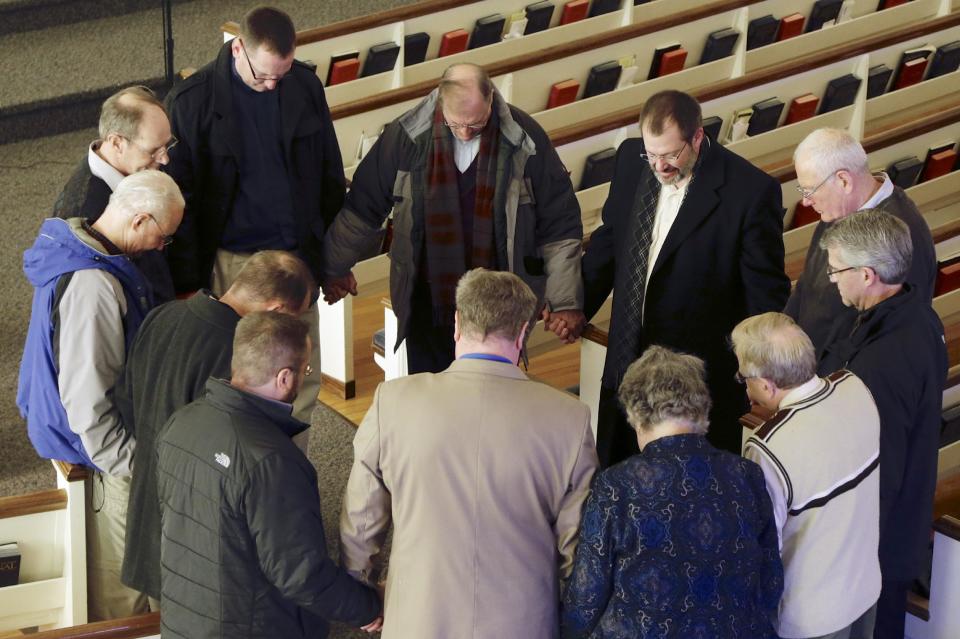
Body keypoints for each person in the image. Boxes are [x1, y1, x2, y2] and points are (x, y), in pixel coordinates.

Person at [340, 269, 597, 638]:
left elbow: (361, 519)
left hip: (418, 616)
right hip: (523, 622)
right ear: (524, 332)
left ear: (457, 323)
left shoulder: (391, 402)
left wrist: (359, 595)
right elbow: (576, 549)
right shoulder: (570, 418)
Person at [321, 63, 584, 373]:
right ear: (440, 102)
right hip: (427, 299)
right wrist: (332, 268)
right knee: (433, 399)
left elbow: (559, 222)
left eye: (475, 124)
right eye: (455, 124)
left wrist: (565, 301)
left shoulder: (525, 137)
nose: (465, 133)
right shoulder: (406, 136)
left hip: (498, 302)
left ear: (491, 100)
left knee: (492, 398)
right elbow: (363, 208)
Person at [580, 89, 790, 466]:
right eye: (653, 154)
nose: (659, 166)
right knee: (617, 483)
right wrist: (574, 308)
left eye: (671, 154)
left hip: (696, 390)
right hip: (625, 371)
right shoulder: (631, 159)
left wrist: (760, 374)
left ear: (697, 137)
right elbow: (611, 241)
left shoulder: (750, 192)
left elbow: (765, 298)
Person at [164, 5, 342, 428]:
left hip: (296, 257)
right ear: (238, 48)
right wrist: (188, 283)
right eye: (262, 75)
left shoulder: (302, 85)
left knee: (298, 381)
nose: (270, 85)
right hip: (233, 265)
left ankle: (287, 476)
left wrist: (336, 262)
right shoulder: (192, 102)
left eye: (279, 76)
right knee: (239, 377)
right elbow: (182, 204)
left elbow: (328, 175)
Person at [17, 170, 184, 620]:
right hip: (104, 461)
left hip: (91, 449)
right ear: (139, 220)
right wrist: (135, 466)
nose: (159, 248)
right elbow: (89, 403)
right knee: (124, 594)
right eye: (163, 237)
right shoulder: (94, 287)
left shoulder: (73, 246)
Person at [157, 312, 382, 638]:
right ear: (285, 378)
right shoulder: (273, 461)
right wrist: (368, 607)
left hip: (183, 620)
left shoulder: (181, 423)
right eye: (305, 370)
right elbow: (301, 575)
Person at [117, 250, 314, 607]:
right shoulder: (240, 361)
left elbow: (127, 404)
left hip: (145, 514)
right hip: (196, 543)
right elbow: (245, 461)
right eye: (294, 321)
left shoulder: (162, 315)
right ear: (275, 312)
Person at [561, 345, 783, 639]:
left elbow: (586, 599)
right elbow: (770, 583)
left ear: (635, 414)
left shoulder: (616, 486)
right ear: (701, 407)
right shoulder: (747, 474)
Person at [817, 209, 947, 639]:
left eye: (836, 269)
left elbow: (880, 467)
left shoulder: (885, 361)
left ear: (868, 274)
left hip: (875, 546)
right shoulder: (913, 314)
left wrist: (850, 549)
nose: (832, 278)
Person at [734, 312, 881, 639]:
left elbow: (761, 547)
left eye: (743, 377)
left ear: (765, 383)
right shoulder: (854, 387)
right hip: (865, 589)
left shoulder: (768, 446)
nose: (745, 388)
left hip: (812, 617)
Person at [785, 128, 936, 351]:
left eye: (810, 190)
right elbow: (807, 285)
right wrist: (783, 336)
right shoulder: (839, 208)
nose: (806, 202)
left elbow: (891, 335)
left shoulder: (903, 236)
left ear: (844, 181)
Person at [53, 85, 178, 302]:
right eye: (153, 150)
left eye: (167, 145)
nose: (165, 158)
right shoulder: (86, 213)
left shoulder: (139, 168)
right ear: (116, 143)